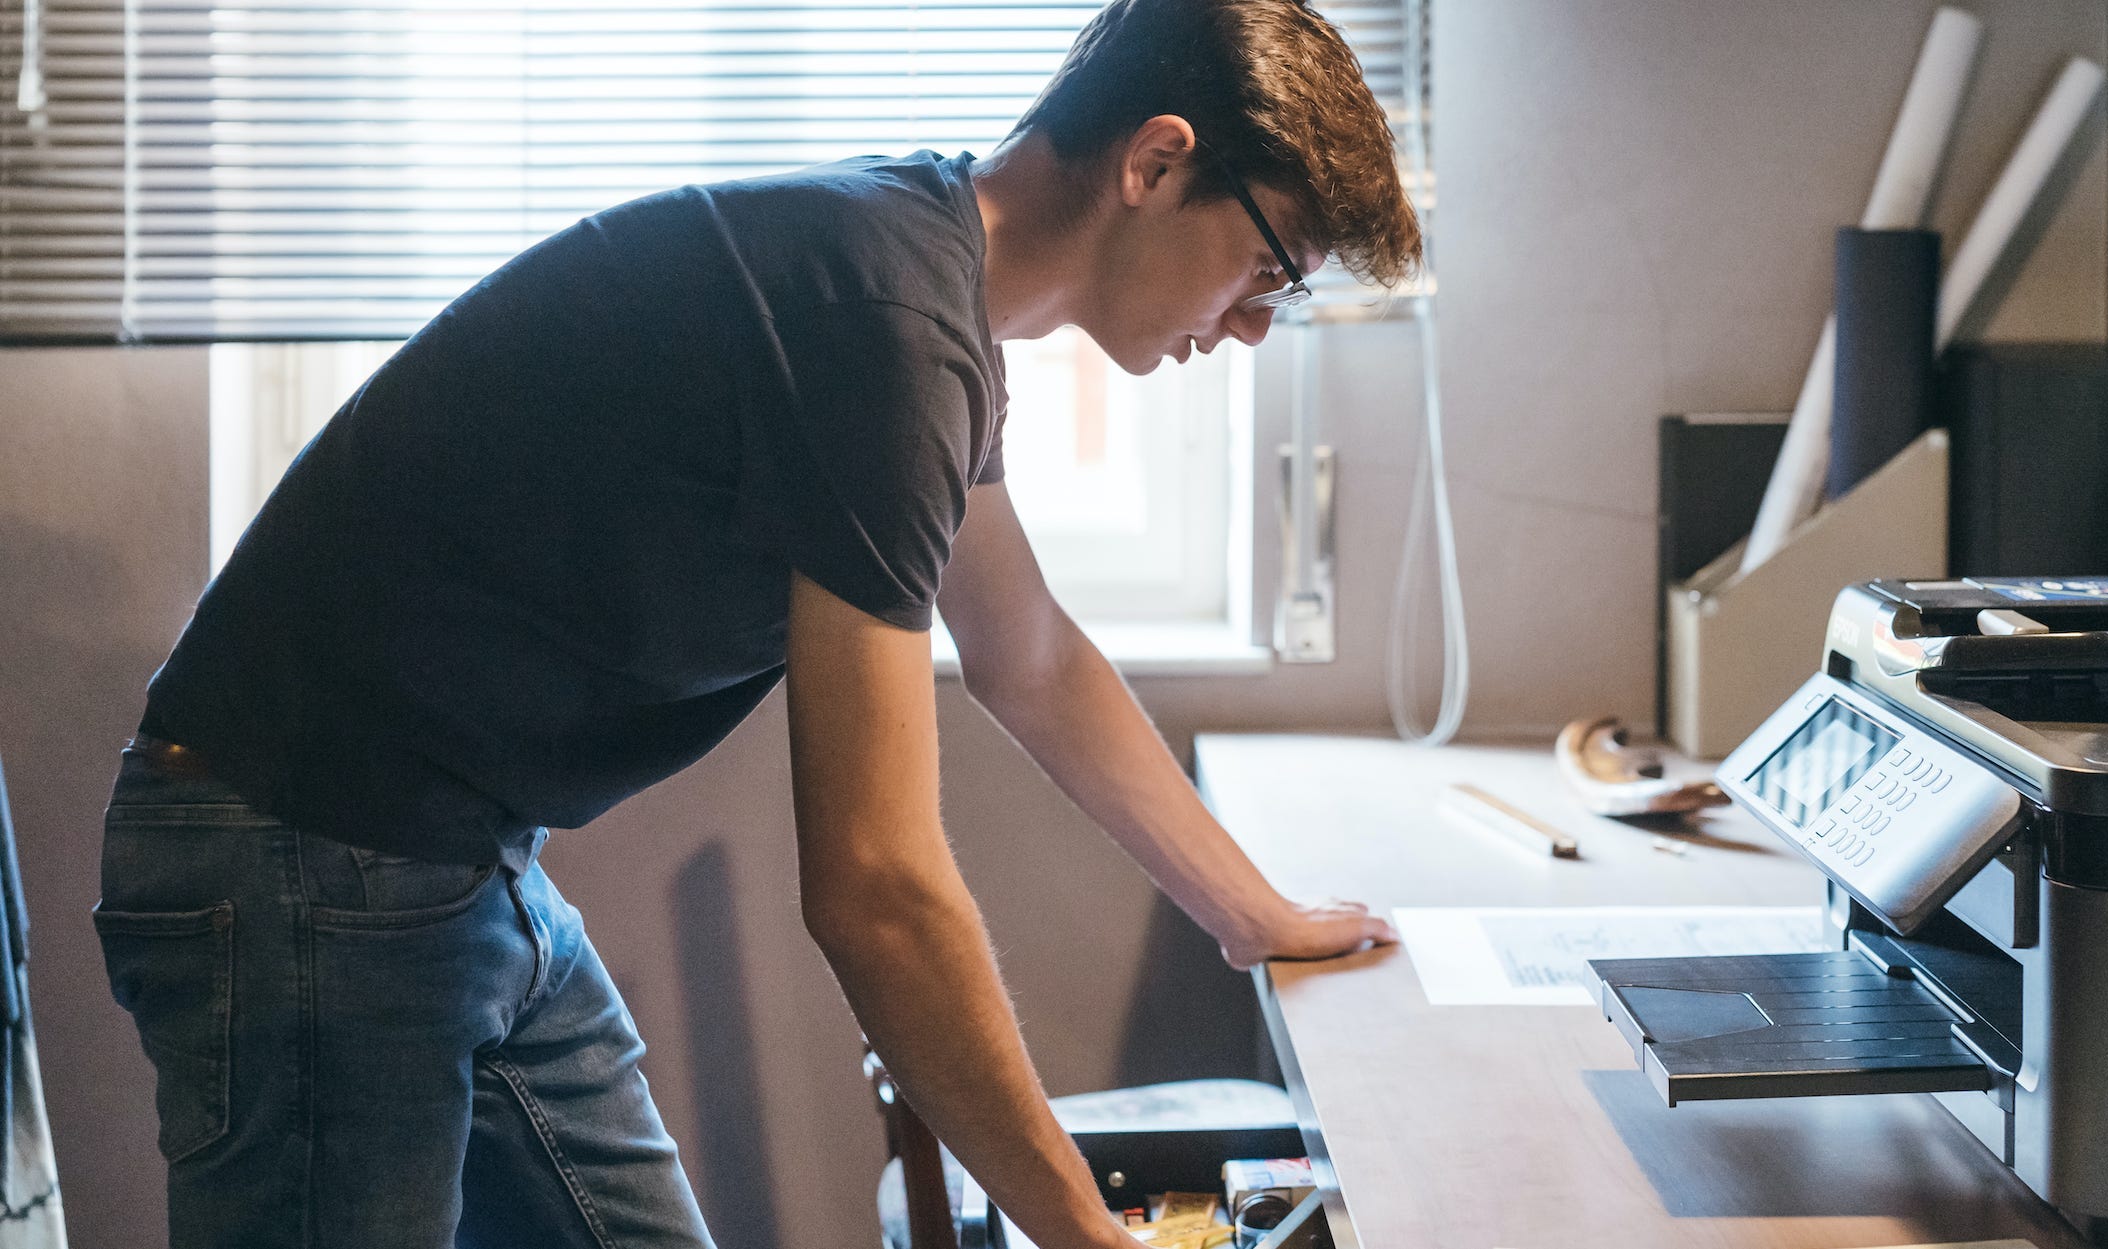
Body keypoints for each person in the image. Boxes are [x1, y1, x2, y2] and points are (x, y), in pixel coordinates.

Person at [90, 0, 1423, 1244]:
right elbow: (876, 889)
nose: (1252, 328)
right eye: (1264, 267)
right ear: (1154, 163)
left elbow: (1029, 655)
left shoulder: (921, 291)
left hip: (445, 853)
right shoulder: (885, 327)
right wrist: (1079, 1229)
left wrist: (1253, 912)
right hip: (301, 846)